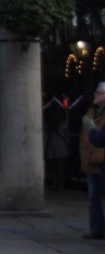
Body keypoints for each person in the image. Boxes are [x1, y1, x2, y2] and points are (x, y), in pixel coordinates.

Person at [82, 82, 105, 239]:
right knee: (93, 195)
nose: (95, 95)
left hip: (101, 158)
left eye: (99, 93)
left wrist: (91, 129)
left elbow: (99, 139)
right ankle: (96, 228)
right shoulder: (92, 111)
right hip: (91, 159)